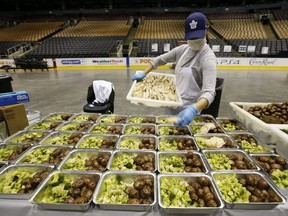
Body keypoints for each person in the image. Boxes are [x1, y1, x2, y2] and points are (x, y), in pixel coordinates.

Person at [132, 11, 217, 126]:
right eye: (192, 37)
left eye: (197, 36)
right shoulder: (183, 50)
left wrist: (193, 109)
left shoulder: (208, 58)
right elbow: (159, 60)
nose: (194, 40)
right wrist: (144, 72)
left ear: (205, 31)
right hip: (172, 102)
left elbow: (209, 92)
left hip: (189, 111)